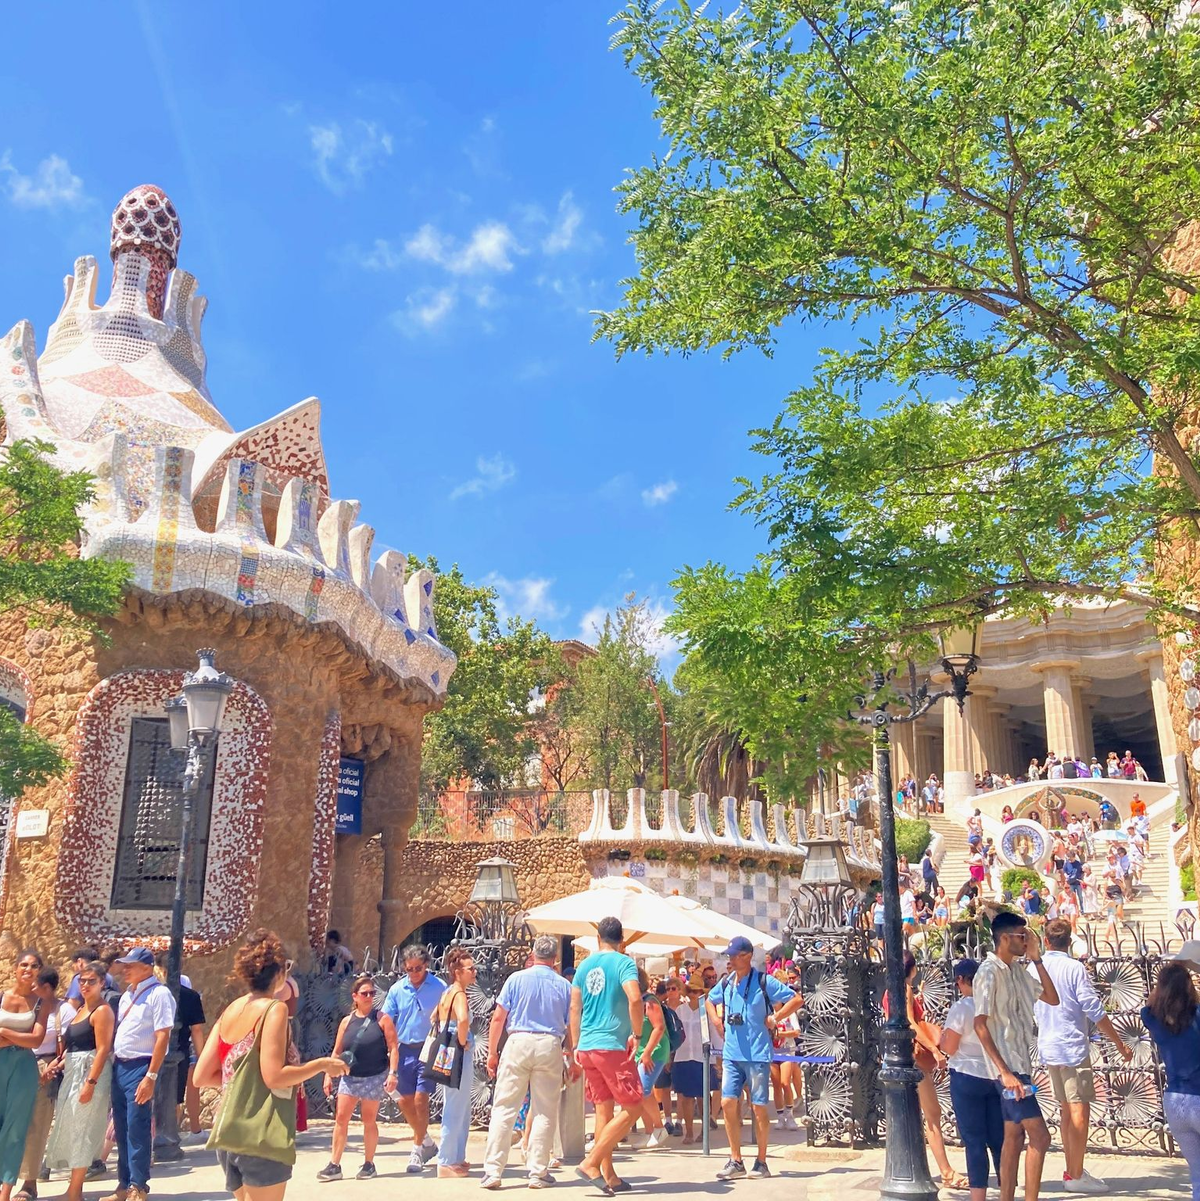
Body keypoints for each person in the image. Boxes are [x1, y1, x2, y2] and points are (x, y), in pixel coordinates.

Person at [196, 928, 348, 1200]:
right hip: (260, 1133)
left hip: (229, 1132)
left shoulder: (232, 1009)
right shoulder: (274, 1010)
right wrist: (322, 1064)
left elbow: (202, 1076)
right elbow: (275, 1077)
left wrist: (242, 1084)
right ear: (279, 972)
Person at [1032, 919, 1133, 1193]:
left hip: (1049, 1044)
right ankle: (1075, 1174)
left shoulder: (1035, 968)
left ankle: (1072, 1168)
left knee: (1066, 1108)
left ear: (1046, 940)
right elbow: (1093, 1008)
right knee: (1079, 1109)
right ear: (1070, 940)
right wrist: (1119, 1043)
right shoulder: (1073, 968)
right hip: (1072, 1045)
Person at [973, 912, 1060, 1201]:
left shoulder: (1017, 971)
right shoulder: (988, 972)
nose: (1027, 940)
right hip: (1008, 1072)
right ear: (1005, 938)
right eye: (1022, 936)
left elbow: (1051, 996)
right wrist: (1004, 1072)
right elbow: (980, 1024)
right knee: (1040, 1136)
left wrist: (1037, 958)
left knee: (1014, 1136)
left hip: (1020, 1066)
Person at [706, 935, 804, 1181]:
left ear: (747, 956)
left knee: (759, 1107)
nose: (729, 959)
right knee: (728, 1103)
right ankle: (735, 1159)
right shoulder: (727, 983)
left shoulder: (763, 981)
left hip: (758, 1054)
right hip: (731, 1054)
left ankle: (761, 1161)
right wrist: (717, 1021)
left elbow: (796, 998)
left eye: (733, 955)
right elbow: (708, 1000)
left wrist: (776, 1017)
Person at [481, 934, 573, 1190]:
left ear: (532, 954)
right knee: (545, 1110)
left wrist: (491, 1052)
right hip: (549, 1043)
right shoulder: (564, 986)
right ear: (555, 959)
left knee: (504, 1107)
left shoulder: (515, 979)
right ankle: (537, 1171)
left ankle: (493, 1171)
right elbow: (570, 1025)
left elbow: (498, 1018)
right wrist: (572, 1054)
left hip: (518, 1041)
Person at [570, 916, 644, 1194]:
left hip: (587, 1046)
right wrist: (637, 1035)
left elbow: (574, 1008)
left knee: (604, 1109)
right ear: (621, 940)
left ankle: (609, 1174)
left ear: (598, 938)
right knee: (634, 1106)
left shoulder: (584, 966)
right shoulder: (624, 963)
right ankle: (591, 1163)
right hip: (611, 1045)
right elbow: (635, 998)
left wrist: (576, 1044)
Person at [884, 952, 967, 1191]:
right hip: (915, 1059)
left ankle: (934, 1169)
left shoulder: (892, 991)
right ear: (912, 969)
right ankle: (946, 1171)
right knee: (933, 1115)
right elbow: (910, 1023)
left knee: (919, 1116)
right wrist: (934, 1049)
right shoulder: (904, 989)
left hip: (900, 1058)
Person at [103, 947, 174, 1201]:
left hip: (141, 1066)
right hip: (121, 1065)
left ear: (146, 967)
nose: (125, 969)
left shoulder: (160, 994)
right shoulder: (127, 995)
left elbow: (162, 1036)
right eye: (124, 965)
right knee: (121, 1127)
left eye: (131, 965)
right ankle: (123, 1184)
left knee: (137, 1127)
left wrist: (151, 1076)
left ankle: (139, 1186)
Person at [316, 974, 398, 1183]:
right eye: (365, 993)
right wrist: (328, 1074)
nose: (369, 996)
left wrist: (392, 1073)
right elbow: (337, 1051)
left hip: (374, 1075)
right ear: (355, 996)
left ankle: (369, 1164)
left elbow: (393, 1048)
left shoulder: (382, 1019)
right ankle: (335, 1164)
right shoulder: (347, 1022)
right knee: (341, 1119)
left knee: (368, 1120)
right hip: (350, 1076)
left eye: (372, 993)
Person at [45, 960, 113, 1201]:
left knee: (83, 1130)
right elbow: (75, 1047)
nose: (85, 985)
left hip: (89, 1075)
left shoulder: (102, 1011)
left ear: (102, 983)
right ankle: (73, 1190)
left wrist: (90, 1083)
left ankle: (75, 1192)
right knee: (74, 1128)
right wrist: (59, 1064)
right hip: (73, 1074)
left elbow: (103, 1049)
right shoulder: (81, 1009)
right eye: (81, 981)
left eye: (91, 981)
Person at [941, 960, 1002, 1201]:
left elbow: (950, 1046)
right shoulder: (995, 1004)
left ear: (961, 981)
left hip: (966, 1074)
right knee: (999, 1140)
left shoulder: (962, 1008)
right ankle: (1007, 1190)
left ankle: (978, 1195)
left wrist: (942, 1038)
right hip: (995, 1074)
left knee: (974, 1140)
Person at [381, 945, 444, 1173]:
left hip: (428, 1048)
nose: (414, 973)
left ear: (426, 965)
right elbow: (387, 1017)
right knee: (404, 1101)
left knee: (420, 1099)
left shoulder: (439, 987)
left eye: (418, 968)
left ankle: (417, 1150)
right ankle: (427, 1141)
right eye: (410, 969)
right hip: (404, 1049)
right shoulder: (398, 989)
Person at [1142, 959, 1200, 1199]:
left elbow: (1147, 1006)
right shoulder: (1197, 1015)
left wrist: (1164, 983)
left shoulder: (1152, 1017)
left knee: (1197, 1176)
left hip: (1175, 1102)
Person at [0, 950, 47, 1201]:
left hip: (23, 1070)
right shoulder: (1, 996)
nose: (28, 969)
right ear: (15, 968)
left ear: (39, 971)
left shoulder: (42, 1002)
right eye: (24, 964)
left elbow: (37, 1039)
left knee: (15, 1130)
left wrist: (4, 1032)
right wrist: (19, 1038)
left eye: (34, 966)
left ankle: (6, 1191)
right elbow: (27, 1037)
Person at [17, 966, 67, 1200]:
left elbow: (68, 1045)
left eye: (36, 985)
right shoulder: (23, 1004)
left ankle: (29, 1182)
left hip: (44, 1066)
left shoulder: (62, 1010)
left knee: (37, 1126)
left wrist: (52, 1067)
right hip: (17, 1063)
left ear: (46, 988)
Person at [433, 948, 477, 1178]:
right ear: (458, 972)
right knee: (455, 1105)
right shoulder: (459, 994)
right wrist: (463, 1041)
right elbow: (461, 1019)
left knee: (458, 1103)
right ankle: (447, 1160)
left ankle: (456, 1157)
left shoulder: (447, 992)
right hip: (457, 1051)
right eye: (471, 969)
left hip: (446, 1050)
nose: (475, 972)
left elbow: (435, 1017)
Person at [632, 969, 670, 1150]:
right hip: (640, 1051)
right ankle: (649, 1132)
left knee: (643, 1090)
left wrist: (647, 1052)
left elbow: (659, 1027)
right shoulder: (635, 1001)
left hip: (654, 1051)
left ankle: (659, 1127)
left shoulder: (650, 1001)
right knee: (639, 1093)